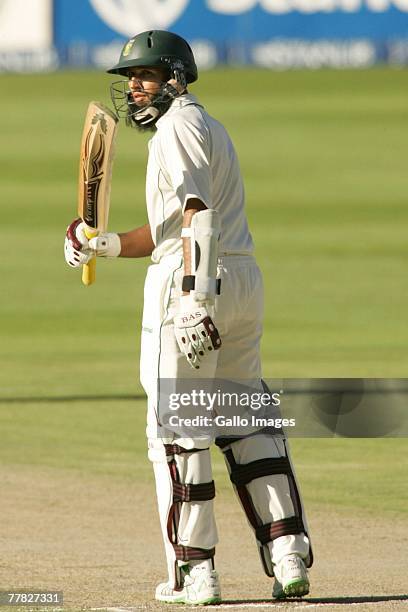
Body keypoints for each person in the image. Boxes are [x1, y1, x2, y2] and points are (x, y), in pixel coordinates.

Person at [64, 30, 312, 605]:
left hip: (192, 284)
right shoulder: (207, 127)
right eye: (130, 78)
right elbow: (171, 226)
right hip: (241, 278)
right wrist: (101, 246)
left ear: (175, 77)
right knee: (248, 421)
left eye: (146, 76)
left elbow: (196, 221)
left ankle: (194, 571)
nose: (135, 88)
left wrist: (195, 304)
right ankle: (288, 553)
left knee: (176, 433)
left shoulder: (174, 131)